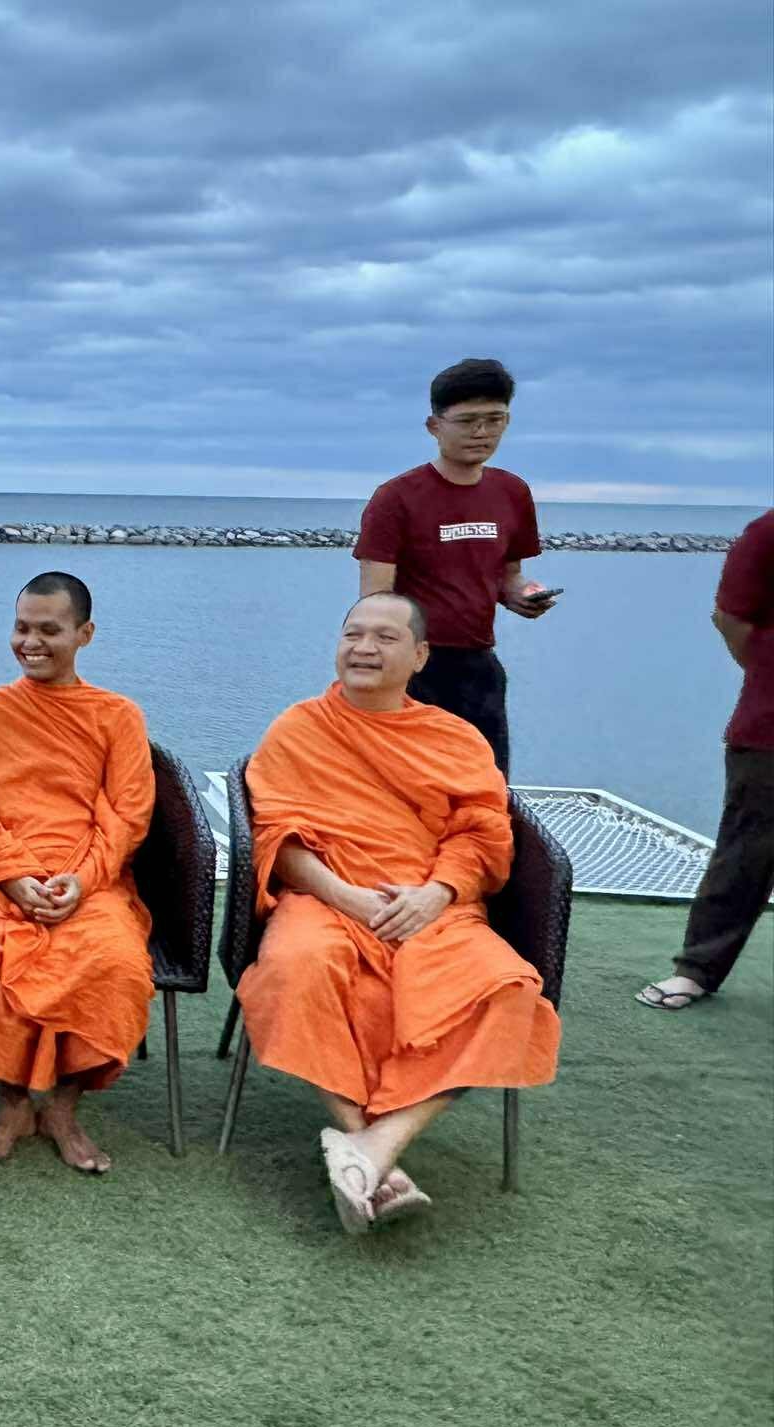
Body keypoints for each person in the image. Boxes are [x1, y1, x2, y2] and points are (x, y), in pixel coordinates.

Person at [235, 592, 561, 1233]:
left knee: (508, 994)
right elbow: (280, 839)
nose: (364, 648)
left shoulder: (454, 739)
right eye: (353, 634)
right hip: (327, 899)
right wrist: (347, 897)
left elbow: (481, 833)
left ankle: (373, 1147)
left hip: (433, 907)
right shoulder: (299, 729)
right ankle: (366, 1142)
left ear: (420, 656)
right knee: (295, 969)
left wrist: (436, 893)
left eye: (385, 638)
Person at [0, 572, 155, 1173]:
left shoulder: (118, 716)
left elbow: (128, 817)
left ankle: (63, 1108)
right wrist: (13, 877)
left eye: (49, 630)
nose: (31, 643)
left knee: (118, 963)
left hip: (88, 883)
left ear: (85, 634)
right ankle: (12, 1103)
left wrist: (81, 881)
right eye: (22, 628)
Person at [354, 357, 556, 774]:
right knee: (406, 787)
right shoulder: (396, 497)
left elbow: (508, 577)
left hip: (479, 667)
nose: (481, 432)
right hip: (412, 667)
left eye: (494, 419)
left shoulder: (512, 492)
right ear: (434, 426)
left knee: (486, 786)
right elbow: (375, 601)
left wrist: (525, 595)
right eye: (466, 421)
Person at [639, 508, 774, 1011]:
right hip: (770, 727)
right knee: (746, 854)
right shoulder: (767, 533)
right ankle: (696, 971)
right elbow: (730, 618)